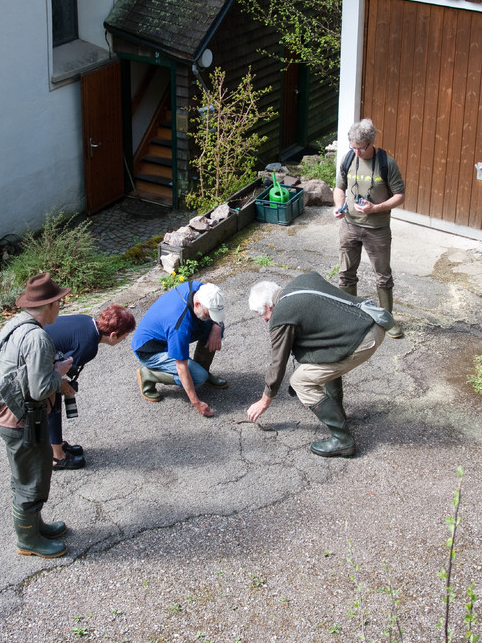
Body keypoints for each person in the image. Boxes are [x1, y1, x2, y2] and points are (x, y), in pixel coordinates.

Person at [246, 272, 386, 458]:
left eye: (261, 314)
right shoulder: (303, 281)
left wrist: (264, 401)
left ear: (268, 306)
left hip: (360, 340)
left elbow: (277, 363)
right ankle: (338, 412)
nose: (264, 319)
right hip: (372, 322)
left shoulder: (281, 314)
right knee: (323, 362)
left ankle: (343, 440)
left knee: (300, 381)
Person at [0, 273, 73, 558]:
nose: (61, 307)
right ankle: (27, 539)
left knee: (30, 474)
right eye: (59, 302)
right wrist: (59, 373)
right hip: (23, 421)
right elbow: (39, 390)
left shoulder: (15, 325)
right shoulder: (37, 338)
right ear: (49, 306)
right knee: (31, 478)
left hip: (9, 412)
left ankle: (35, 526)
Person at [333, 118, 405, 338]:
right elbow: (339, 188)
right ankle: (350, 316)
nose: (357, 152)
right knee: (346, 274)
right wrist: (339, 207)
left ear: (371, 143)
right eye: (353, 148)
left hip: (377, 228)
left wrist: (376, 208)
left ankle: (386, 320)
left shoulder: (387, 163)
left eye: (361, 148)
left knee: (383, 275)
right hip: (349, 226)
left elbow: (400, 196)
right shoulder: (348, 158)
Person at [45, 305, 136, 470]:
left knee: (55, 393)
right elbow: (54, 369)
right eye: (124, 337)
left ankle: (54, 444)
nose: (124, 341)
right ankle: (56, 456)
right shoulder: (88, 346)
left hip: (32, 349)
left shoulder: (86, 320)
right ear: (113, 335)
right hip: (29, 362)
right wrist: (61, 384)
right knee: (52, 399)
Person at [131, 280, 227, 417]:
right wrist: (196, 402)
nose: (212, 317)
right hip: (150, 350)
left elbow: (214, 317)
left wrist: (217, 326)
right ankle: (148, 374)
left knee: (214, 327)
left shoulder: (199, 288)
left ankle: (203, 370)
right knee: (198, 377)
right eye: (208, 313)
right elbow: (181, 367)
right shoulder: (179, 326)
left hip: (167, 334)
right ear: (197, 304)